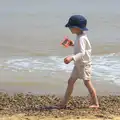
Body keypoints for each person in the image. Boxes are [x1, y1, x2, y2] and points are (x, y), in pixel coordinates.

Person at [58, 15, 99, 108]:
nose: (69, 28)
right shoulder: (79, 35)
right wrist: (73, 44)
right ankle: (64, 103)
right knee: (70, 81)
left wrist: (71, 57)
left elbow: (82, 53)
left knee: (87, 83)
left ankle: (96, 103)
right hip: (78, 64)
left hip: (84, 65)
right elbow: (81, 48)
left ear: (76, 28)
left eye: (70, 27)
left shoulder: (81, 38)